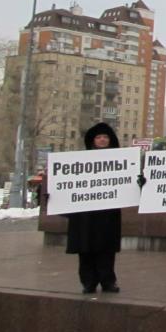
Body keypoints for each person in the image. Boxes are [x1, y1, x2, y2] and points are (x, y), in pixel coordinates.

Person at [65, 122, 122, 294]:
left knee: (106, 248)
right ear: (92, 141)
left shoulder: (120, 160)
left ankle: (108, 281)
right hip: (85, 213)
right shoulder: (80, 160)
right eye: (98, 137)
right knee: (85, 247)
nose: (102, 140)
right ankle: (88, 282)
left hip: (108, 212)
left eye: (105, 137)